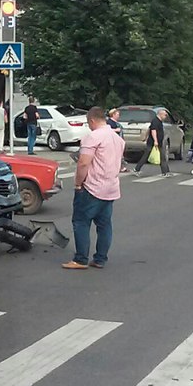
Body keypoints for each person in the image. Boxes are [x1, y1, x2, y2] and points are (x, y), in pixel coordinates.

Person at [63, 106, 126, 270]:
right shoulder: (117, 138)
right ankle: (100, 259)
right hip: (111, 187)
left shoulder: (93, 137)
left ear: (92, 120)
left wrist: (78, 183)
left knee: (81, 222)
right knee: (104, 225)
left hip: (92, 187)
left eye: (87, 122)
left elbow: (84, 162)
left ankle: (81, 259)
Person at [133, 108, 170, 176]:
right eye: (165, 115)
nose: (166, 116)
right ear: (160, 114)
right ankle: (136, 169)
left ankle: (165, 172)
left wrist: (145, 137)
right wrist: (155, 141)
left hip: (158, 142)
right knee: (147, 156)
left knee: (162, 156)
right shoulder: (155, 121)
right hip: (153, 142)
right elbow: (153, 131)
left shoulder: (158, 121)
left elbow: (149, 129)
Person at [107, 108, 128, 172]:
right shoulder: (109, 122)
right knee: (116, 155)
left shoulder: (115, 122)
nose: (118, 116)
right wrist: (116, 130)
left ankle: (121, 167)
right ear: (113, 115)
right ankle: (119, 167)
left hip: (118, 140)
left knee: (119, 154)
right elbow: (107, 130)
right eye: (117, 114)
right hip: (113, 141)